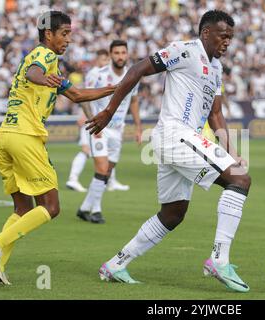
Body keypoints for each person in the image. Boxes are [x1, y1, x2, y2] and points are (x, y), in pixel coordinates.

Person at [87, 10, 252, 292]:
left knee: (173, 213)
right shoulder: (184, 51)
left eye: (230, 38)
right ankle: (218, 259)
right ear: (205, 34)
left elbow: (215, 114)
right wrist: (109, 111)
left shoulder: (216, 68)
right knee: (240, 180)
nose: (227, 42)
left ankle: (116, 264)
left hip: (178, 140)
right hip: (176, 134)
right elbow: (138, 69)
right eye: (222, 36)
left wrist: (233, 152)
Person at [0, 11, 117, 286]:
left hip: (5, 137)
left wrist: (116, 88)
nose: (68, 39)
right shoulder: (44, 56)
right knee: (51, 207)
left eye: (70, 34)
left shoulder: (48, 65)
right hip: (25, 137)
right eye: (64, 33)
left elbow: (77, 95)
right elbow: (34, 73)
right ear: (48, 34)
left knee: (22, 209)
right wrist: (42, 79)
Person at [76, 40, 141, 224]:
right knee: (102, 168)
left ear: (127, 55)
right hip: (100, 129)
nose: (120, 56)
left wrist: (138, 127)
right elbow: (83, 97)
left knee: (106, 172)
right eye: (116, 53)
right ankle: (96, 210)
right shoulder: (97, 74)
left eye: (123, 53)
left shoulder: (133, 76)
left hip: (117, 131)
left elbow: (134, 101)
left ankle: (84, 208)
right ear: (110, 55)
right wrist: (93, 122)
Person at [66, 49, 110, 193]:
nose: (107, 62)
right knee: (86, 150)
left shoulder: (102, 74)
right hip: (90, 118)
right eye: (104, 59)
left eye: (107, 60)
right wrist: (88, 118)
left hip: (95, 118)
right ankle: (72, 179)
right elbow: (85, 97)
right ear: (98, 60)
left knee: (103, 151)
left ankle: (111, 181)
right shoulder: (95, 74)